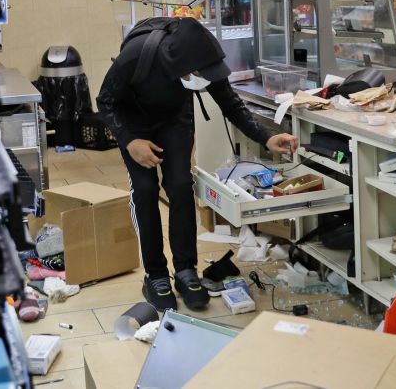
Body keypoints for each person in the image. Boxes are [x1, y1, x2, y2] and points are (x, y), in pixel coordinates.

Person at [96, 18, 298, 311]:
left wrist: (266, 137)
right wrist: (129, 141)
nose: (209, 79)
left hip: (173, 119)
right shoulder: (137, 54)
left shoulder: (203, 60)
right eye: (203, 75)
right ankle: (155, 275)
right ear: (184, 68)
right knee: (145, 189)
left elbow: (231, 104)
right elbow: (105, 101)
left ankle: (185, 269)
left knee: (179, 184)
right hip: (132, 123)